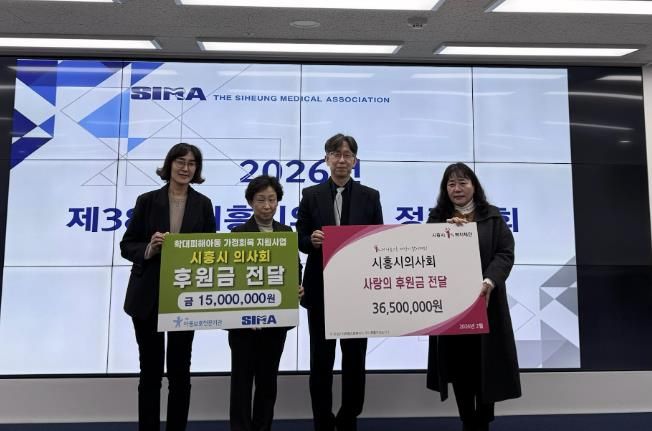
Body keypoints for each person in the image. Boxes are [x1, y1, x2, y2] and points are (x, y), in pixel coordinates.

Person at [121, 143, 216, 431]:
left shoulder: (203, 204)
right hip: (147, 296)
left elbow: (211, 250)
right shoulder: (147, 200)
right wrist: (149, 249)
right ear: (169, 164)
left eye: (192, 163)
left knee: (180, 373)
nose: (185, 168)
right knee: (150, 373)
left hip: (185, 297)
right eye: (180, 161)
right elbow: (127, 245)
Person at [296, 133, 383, 431]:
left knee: (355, 359)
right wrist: (311, 240)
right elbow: (300, 238)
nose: (341, 160)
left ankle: (348, 417)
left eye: (347, 155)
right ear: (326, 159)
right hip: (320, 289)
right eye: (336, 154)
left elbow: (379, 240)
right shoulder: (310, 195)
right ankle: (322, 419)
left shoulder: (370, 196)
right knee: (321, 360)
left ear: (355, 161)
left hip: (357, 292)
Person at [426, 162, 521, 431]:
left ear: (474, 186)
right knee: (459, 367)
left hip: (486, 303)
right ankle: (467, 419)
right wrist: (444, 233)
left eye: (462, 182)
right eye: (451, 184)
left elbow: (505, 253)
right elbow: (425, 253)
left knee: (486, 364)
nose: (457, 189)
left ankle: (484, 419)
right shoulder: (437, 218)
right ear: (445, 189)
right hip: (452, 308)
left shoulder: (492, 216)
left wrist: (489, 281)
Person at [228, 174, 302, 431]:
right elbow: (231, 275)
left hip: (275, 322)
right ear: (251, 202)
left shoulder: (286, 232)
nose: (267, 206)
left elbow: (295, 266)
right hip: (243, 325)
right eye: (261, 200)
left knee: (268, 382)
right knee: (241, 382)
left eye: (272, 199)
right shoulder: (238, 233)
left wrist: (296, 286)